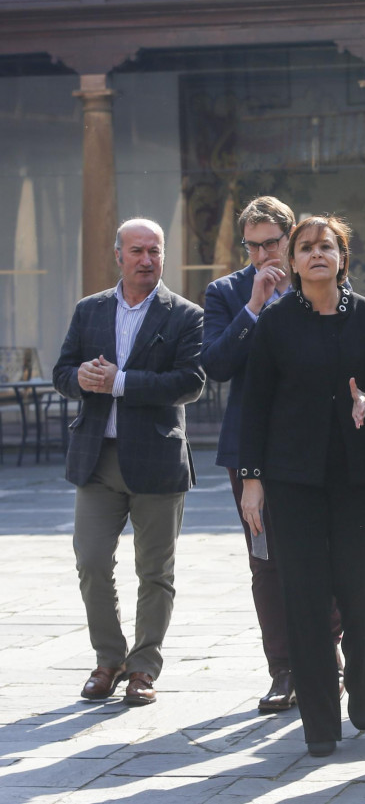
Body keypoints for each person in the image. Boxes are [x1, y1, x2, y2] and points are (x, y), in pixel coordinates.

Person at [240, 216, 365, 757]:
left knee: (358, 592)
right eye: (307, 247)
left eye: (328, 245)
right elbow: (253, 404)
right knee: (303, 597)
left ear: (342, 257)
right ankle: (320, 726)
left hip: (356, 478)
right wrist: (252, 480)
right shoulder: (276, 323)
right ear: (294, 260)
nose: (317, 254)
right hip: (292, 479)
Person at [53, 218, 205, 706]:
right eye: (137, 250)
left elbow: (191, 382)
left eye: (155, 251)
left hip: (157, 459)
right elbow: (61, 372)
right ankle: (108, 658)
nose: (146, 260)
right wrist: (78, 376)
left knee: (154, 571)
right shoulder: (89, 310)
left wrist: (121, 382)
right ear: (117, 254)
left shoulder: (185, 315)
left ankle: (143, 668)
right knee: (92, 561)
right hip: (97, 458)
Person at [201, 196, 343, 714]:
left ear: (290, 237)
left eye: (272, 243)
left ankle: (327, 657)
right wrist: (254, 306)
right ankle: (283, 670)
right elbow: (215, 365)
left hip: (317, 445)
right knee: (267, 563)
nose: (264, 254)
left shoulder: (320, 277)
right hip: (252, 450)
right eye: (253, 245)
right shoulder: (227, 292)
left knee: (323, 552)